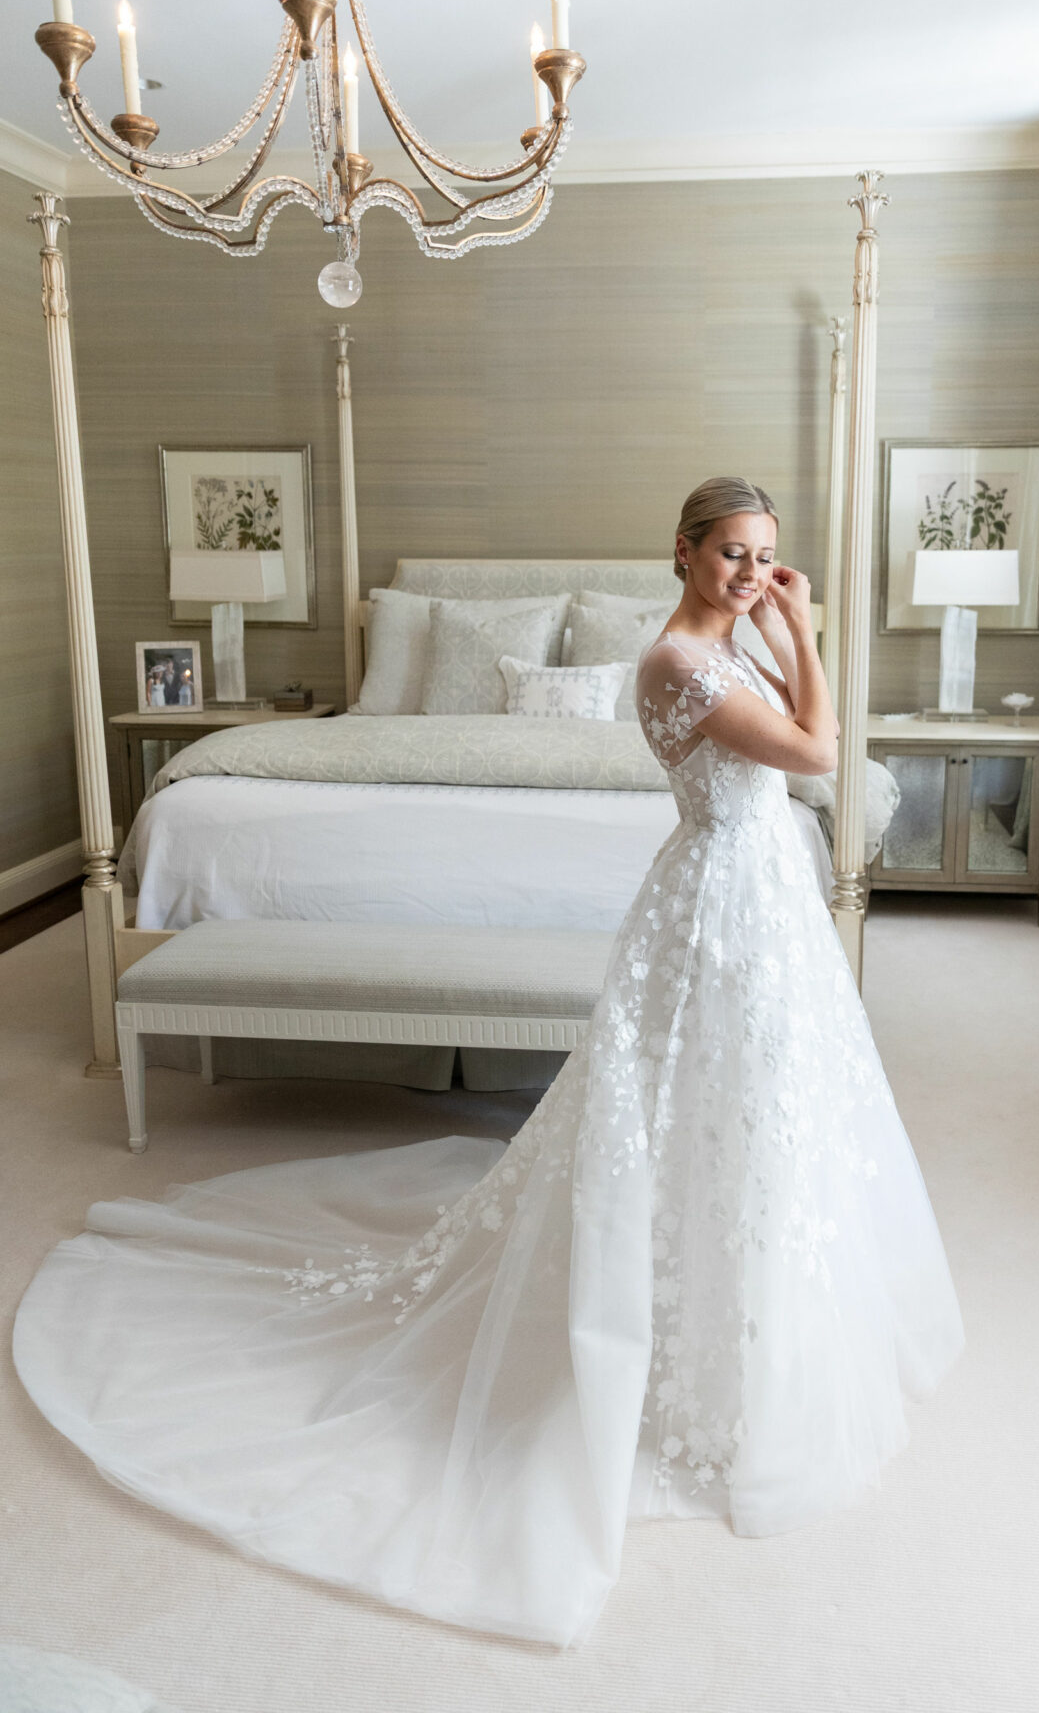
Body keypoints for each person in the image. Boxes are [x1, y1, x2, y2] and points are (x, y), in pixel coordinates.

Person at [13, 477, 962, 1649]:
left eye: (764, 556)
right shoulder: (676, 663)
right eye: (728, 554)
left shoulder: (733, 639)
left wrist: (772, 628)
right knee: (701, 1103)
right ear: (679, 553)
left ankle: (756, 1312)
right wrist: (802, 633)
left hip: (754, 895)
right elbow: (817, 751)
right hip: (721, 891)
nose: (749, 573)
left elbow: (793, 761)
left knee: (757, 1110)